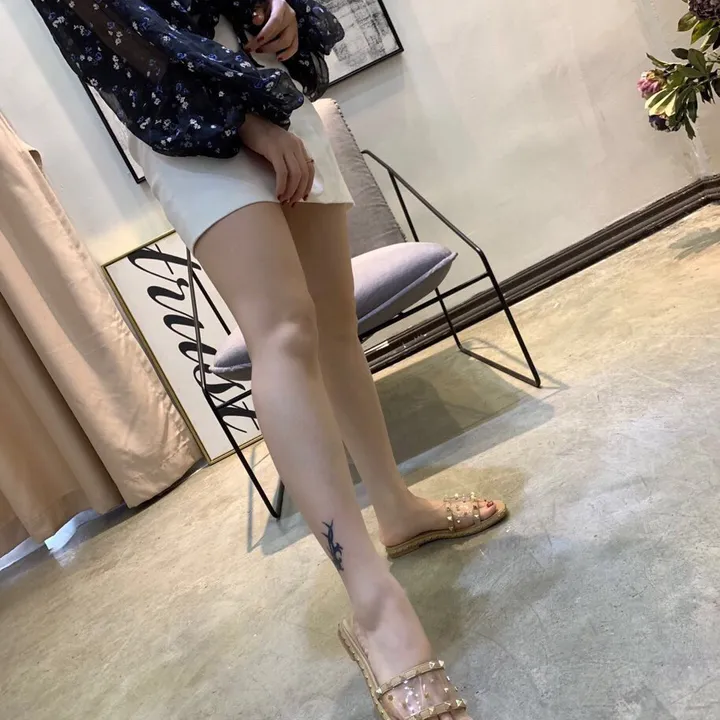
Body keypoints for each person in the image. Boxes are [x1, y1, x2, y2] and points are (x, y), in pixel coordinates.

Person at [32, 1, 508, 717]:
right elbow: (111, 28)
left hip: (268, 81)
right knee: (282, 331)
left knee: (333, 325)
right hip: (186, 110)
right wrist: (246, 121)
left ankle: (398, 508)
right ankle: (374, 606)